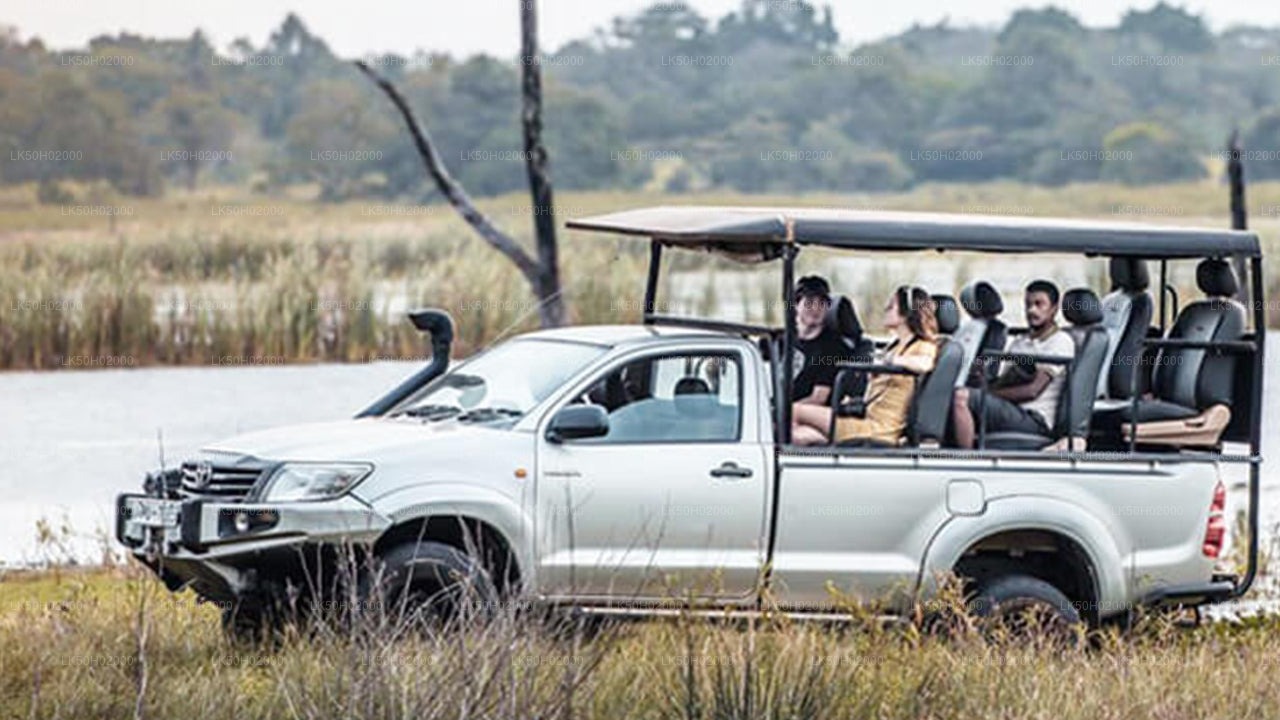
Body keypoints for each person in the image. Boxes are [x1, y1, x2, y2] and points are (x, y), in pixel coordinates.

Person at [792, 286, 938, 445]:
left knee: (794, 411)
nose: (885, 309)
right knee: (796, 434)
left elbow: (925, 363)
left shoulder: (922, 346)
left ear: (906, 313)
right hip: (863, 419)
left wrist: (891, 361)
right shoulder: (895, 346)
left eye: (891, 306)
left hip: (878, 430)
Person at [951, 279, 1076, 448]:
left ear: (1054, 308)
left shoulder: (1060, 341)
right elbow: (1006, 379)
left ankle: (966, 461)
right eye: (1028, 304)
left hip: (1035, 419)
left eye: (1039, 304)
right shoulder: (1020, 341)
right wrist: (982, 378)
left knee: (961, 397)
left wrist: (989, 394)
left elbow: (1033, 391)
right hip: (1012, 410)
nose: (1032, 310)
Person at [790, 275, 855, 408]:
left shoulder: (833, 348)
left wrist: (776, 414)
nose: (815, 308)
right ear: (796, 304)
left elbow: (818, 398)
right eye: (809, 302)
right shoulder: (782, 340)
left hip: (801, 416)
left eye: (822, 303)